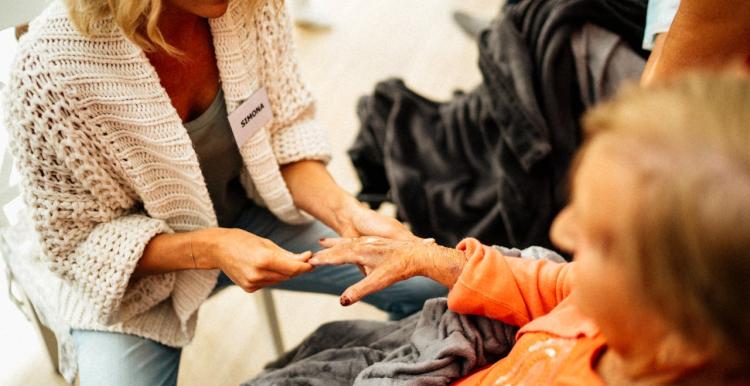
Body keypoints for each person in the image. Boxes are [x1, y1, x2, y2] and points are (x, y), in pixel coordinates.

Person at [2, 0, 445, 384]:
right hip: (130, 283)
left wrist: (348, 214)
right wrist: (212, 248)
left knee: (428, 286)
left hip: (254, 210)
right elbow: (75, 242)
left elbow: (283, 127)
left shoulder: (251, 7)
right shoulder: (48, 72)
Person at [310, 73, 750, 384]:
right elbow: (556, 285)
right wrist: (430, 257)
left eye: (597, 237)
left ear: (681, 343)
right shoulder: (625, 312)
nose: (560, 229)